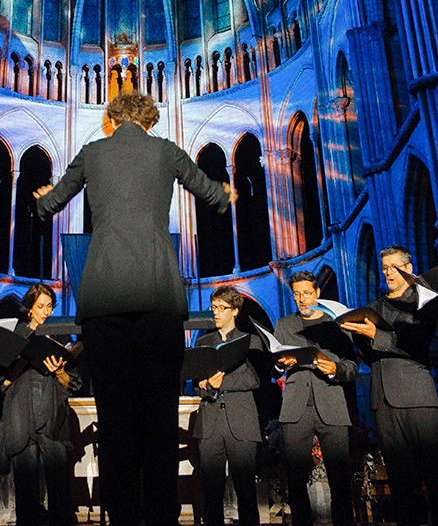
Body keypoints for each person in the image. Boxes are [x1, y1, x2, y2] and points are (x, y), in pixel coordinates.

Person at [33, 91, 234, 526]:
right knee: (160, 418)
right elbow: (211, 195)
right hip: (159, 297)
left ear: (111, 120)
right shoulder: (166, 150)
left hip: (104, 300)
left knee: (115, 420)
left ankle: (122, 518)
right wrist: (226, 192)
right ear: (149, 120)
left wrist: (44, 195)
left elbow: (48, 206)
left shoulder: (92, 152)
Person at [340, 247, 438, 526]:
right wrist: (358, 336)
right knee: (400, 479)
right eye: (384, 267)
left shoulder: (422, 302)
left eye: (394, 266)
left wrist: (378, 334)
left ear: (409, 268)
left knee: (433, 473)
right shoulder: (374, 306)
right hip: (382, 399)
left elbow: (419, 346)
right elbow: (368, 356)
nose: (388, 271)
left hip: (416, 397)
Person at [272, 270, 356, 526]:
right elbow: (273, 365)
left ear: (317, 293)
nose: (302, 299)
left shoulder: (337, 325)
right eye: (297, 294)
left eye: (307, 293)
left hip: (332, 404)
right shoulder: (285, 325)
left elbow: (352, 366)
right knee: (296, 480)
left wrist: (336, 370)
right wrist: (280, 366)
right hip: (296, 407)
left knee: (340, 478)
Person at [0, 285, 81, 526]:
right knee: (26, 488)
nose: (45, 311)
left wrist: (61, 372)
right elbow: (2, 378)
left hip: (52, 416)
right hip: (20, 414)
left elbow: (72, 383)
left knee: (58, 485)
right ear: (29, 308)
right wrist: (23, 359)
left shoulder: (59, 335)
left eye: (49, 306)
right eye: (40, 306)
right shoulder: (16, 334)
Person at [190, 287, 265, 526]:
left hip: (241, 422)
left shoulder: (250, 341)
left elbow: (255, 379)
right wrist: (204, 385)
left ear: (235, 311)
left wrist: (222, 382)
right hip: (210, 424)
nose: (216, 313)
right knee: (211, 493)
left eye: (222, 308)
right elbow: (196, 384)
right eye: (214, 307)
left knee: (245, 491)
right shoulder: (202, 342)